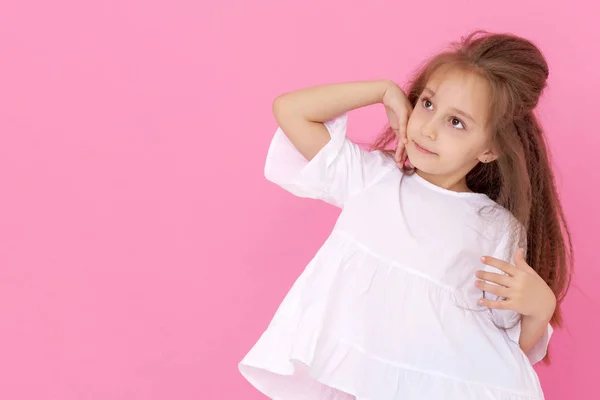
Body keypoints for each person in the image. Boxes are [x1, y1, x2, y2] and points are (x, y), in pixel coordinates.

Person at [238, 30, 573, 400]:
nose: (428, 129)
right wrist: (381, 90)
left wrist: (541, 310)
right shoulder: (372, 179)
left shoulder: (495, 228)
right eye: (428, 104)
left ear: (490, 149)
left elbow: (500, 358)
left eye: (456, 122)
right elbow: (290, 111)